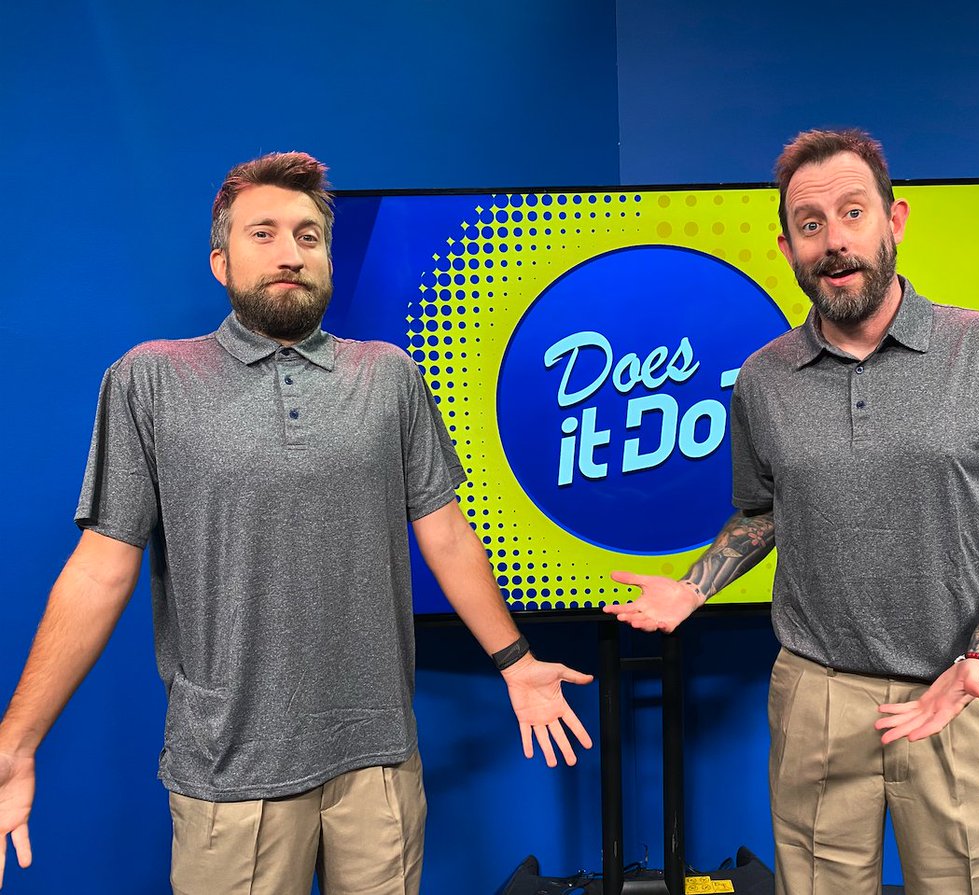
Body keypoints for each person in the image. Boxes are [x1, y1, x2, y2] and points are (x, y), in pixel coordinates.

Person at [0, 151, 592, 894]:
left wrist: (516, 661)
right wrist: (17, 742)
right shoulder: (149, 379)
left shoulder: (389, 376)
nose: (290, 253)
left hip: (378, 762)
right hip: (230, 770)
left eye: (309, 237)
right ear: (220, 259)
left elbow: (444, 530)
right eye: (265, 233)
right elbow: (99, 567)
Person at [605, 129, 979, 895]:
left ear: (893, 221)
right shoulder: (764, 379)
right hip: (817, 698)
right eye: (810, 224)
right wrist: (694, 586)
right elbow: (762, 511)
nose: (834, 241)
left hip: (959, 691)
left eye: (852, 213)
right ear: (788, 245)